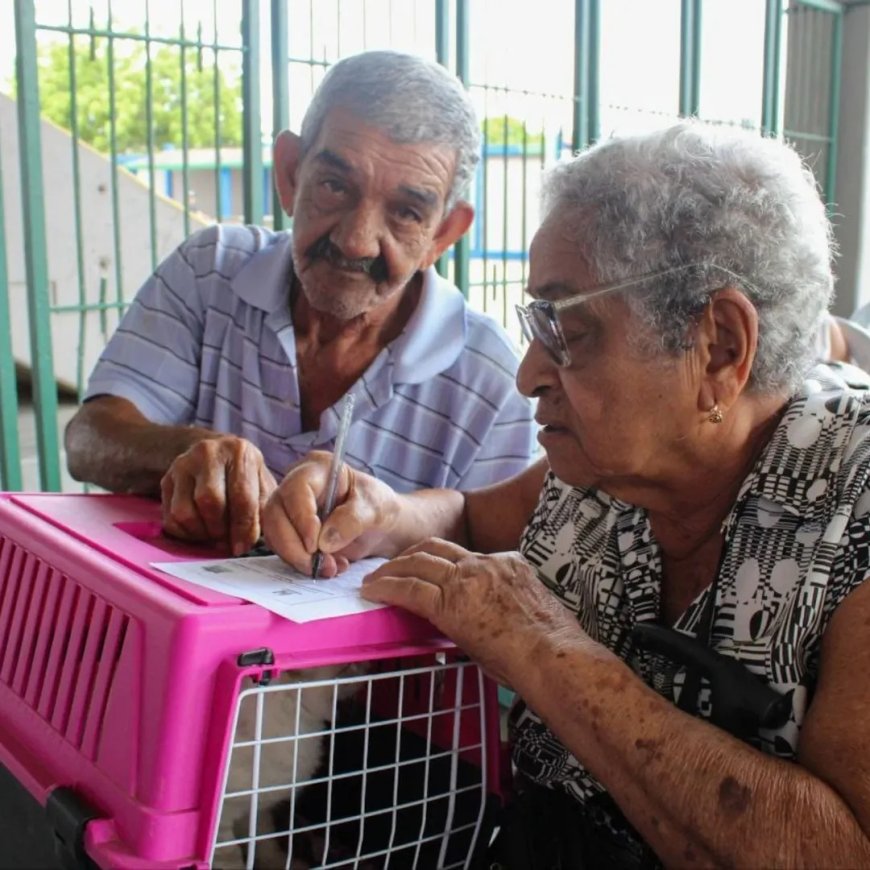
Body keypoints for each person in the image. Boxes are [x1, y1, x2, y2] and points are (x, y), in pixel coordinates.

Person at [262, 122, 870, 867]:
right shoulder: (606, 470)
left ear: (719, 348)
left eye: (565, 327)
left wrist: (547, 650)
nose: (528, 376)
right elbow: (472, 517)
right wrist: (388, 513)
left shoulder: (853, 503)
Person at [63, 50, 537, 555]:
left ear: (443, 232)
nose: (357, 241)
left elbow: (503, 565)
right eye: (335, 186)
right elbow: (89, 438)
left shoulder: (493, 382)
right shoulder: (211, 269)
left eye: (405, 212)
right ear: (290, 174)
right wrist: (188, 451)